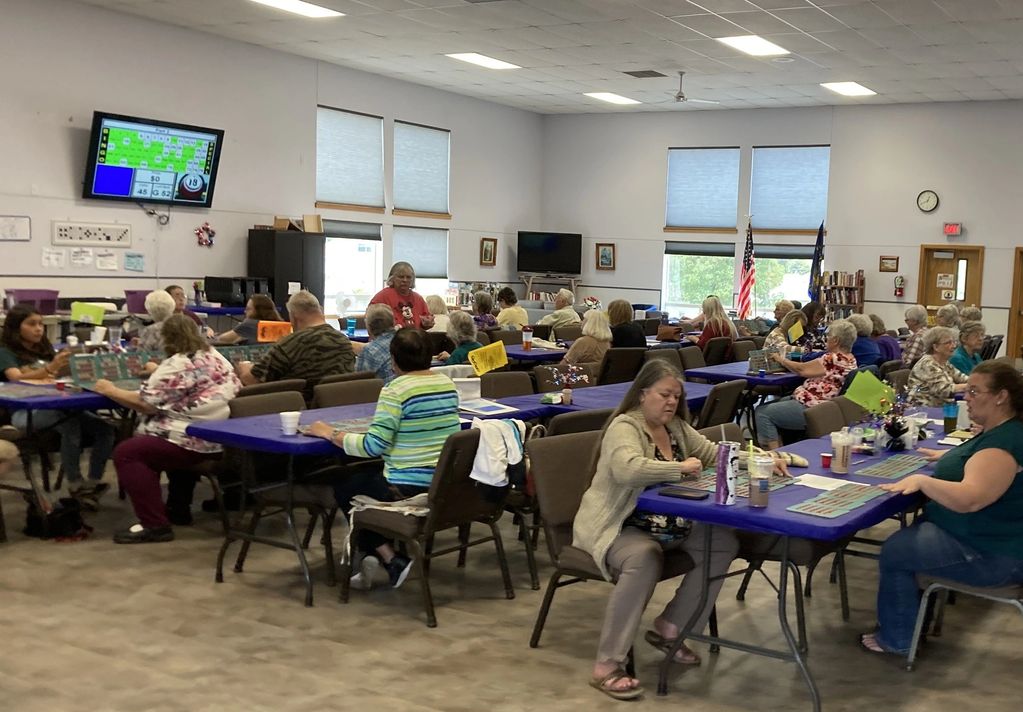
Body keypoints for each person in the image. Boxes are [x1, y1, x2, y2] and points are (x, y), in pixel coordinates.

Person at [572, 360, 786, 700]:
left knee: (722, 542)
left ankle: (671, 627)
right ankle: (607, 665)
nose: (671, 402)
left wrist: (759, 459)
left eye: (676, 395)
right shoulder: (624, 427)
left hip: (670, 523)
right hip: (618, 526)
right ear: (643, 394)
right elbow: (627, 470)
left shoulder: (676, 428)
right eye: (664, 394)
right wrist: (678, 468)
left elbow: (714, 453)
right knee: (643, 558)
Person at [860, 361, 1023, 656]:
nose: (966, 397)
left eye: (975, 392)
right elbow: (978, 464)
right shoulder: (1006, 431)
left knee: (897, 550)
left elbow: (970, 498)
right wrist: (953, 458)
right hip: (993, 539)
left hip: (993, 555)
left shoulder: (1002, 444)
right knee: (912, 538)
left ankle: (897, 639)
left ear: (1001, 396)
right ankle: (912, 623)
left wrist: (925, 482)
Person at [307, 328, 460, 589]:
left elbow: (372, 446)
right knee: (363, 482)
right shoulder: (446, 384)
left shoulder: (395, 390)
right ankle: (373, 557)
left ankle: (391, 558)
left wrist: (331, 433)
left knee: (347, 488)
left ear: (393, 359)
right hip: (441, 483)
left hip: (405, 488)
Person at [95, 314, 241, 542]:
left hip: (194, 440)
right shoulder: (215, 356)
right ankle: (177, 509)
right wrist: (158, 369)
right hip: (223, 436)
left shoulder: (177, 365)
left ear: (167, 339)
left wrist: (109, 389)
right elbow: (188, 382)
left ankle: (154, 524)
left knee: (128, 452)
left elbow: (145, 404)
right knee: (166, 440)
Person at [0, 304, 115, 509]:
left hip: (59, 405)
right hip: (24, 412)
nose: (39, 329)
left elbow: (55, 377)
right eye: (32, 324)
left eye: (41, 324)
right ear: (16, 328)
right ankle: (75, 484)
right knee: (70, 426)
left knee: (104, 429)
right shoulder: (5, 351)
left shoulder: (44, 349)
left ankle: (93, 482)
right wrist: (50, 369)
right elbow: (16, 379)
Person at [236, 290, 355, 404]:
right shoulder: (344, 341)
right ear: (320, 310)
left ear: (293, 316)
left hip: (295, 409)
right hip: (337, 408)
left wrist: (244, 367)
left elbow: (254, 381)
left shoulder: (290, 344)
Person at [755, 319, 858, 449]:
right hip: (824, 405)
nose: (826, 339)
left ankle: (776, 455)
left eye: (828, 336)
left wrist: (780, 359)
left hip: (813, 407)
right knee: (773, 405)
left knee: (762, 412)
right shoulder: (850, 359)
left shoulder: (832, 358)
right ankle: (782, 447)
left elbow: (802, 370)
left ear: (836, 340)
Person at [908, 326, 968, 406]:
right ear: (935, 347)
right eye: (948, 343)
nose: (954, 346)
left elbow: (961, 377)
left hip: (940, 407)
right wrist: (971, 386)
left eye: (954, 342)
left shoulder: (943, 362)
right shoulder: (928, 364)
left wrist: (978, 382)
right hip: (925, 411)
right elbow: (945, 390)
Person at [369, 262, 434, 329]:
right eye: (401, 277)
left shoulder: (418, 299)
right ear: (392, 278)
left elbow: (426, 320)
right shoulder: (381, 297)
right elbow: (370, 322)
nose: (405, 280)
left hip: (415, 338)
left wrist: (427, 323)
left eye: (408, 277)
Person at [213, 294, 282, 345]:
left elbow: (222, 339)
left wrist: (213, 336)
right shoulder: (279, 325)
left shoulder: (250, 324)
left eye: (248, 309)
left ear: (258, 311)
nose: (245, 311)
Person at [356, 304, 397, 383]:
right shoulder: (403, 341)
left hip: (382, 392)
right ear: (393, 322)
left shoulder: (370, 350)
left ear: (368, 325)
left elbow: (359, 382)